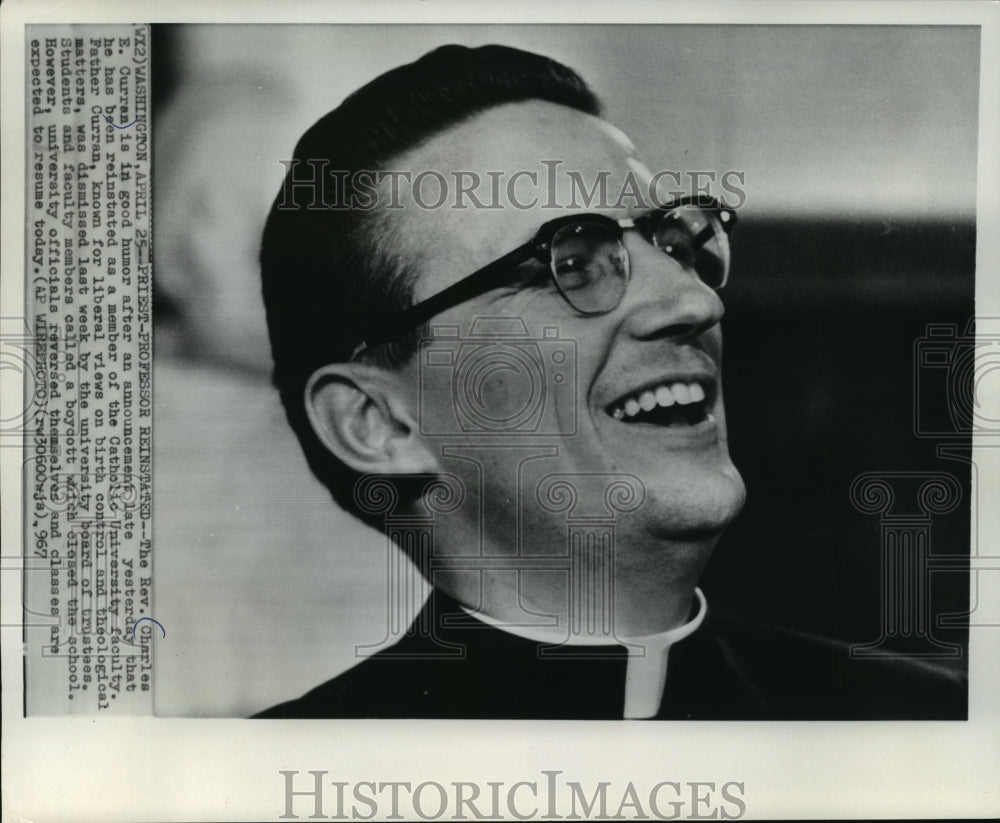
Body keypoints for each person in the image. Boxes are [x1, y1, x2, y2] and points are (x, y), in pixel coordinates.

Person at [256, 44, 964, 719]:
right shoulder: (270, 781)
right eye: (569, 260)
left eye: (675, 241)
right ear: (379, 424)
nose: (696, 301)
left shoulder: (929, 728)